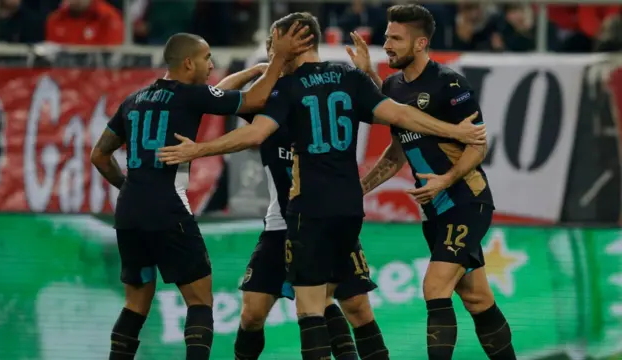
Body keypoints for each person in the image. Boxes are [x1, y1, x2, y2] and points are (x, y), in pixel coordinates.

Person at [157, 12, 485, 360]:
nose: (271, 52)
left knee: (324, 307)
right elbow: (399, 114)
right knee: (260, 312)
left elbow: (245, 125)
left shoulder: (282, 93)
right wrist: (264, 68)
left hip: (306, 213)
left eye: (275, 45)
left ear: (292, 43)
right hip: (302, 218)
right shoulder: (336, 80)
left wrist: (198, 149)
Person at [89, 27, 312, 360]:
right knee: (199, 302)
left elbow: (99, 156)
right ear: (189, 63)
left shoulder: (133, 100)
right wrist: (277, 58)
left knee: (135, 305)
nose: (212, 65)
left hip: (129, 211)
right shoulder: (189, 96)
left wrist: (128, 187)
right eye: (207, 58)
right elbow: (254, 100)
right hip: (167, 209)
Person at [353, 4, 517, 360]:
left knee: (434, 287)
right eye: (386, 37)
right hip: (436, 211)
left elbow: (479, 144)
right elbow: (397, 155)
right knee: (477, 299)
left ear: (421, 43)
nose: (387, 44)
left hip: (466, 200)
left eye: (396, 38)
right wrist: (360, 188)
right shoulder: (393, 86)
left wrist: (446, 178)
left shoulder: (449, 83)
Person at [210, 38, 385, 360]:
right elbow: (217, 96)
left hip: (321, 216)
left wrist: (370, 75)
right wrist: (261, 70)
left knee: (354, 306)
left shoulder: (328, 99)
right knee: (252, 313)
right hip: (282, 222)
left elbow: (384, 107)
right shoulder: (270, 102)